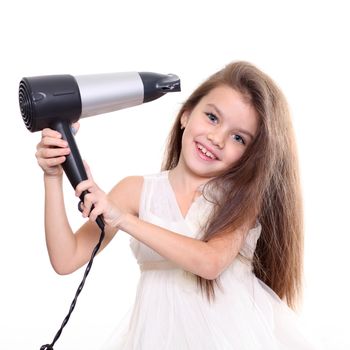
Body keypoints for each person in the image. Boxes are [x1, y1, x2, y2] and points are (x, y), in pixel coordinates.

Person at [35, 61, 316, 349]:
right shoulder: (136, 191)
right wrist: (53, 177)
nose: (216, 139)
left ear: (248, 154)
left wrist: (123, 219)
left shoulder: (239, 200)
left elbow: (209, 262)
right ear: (185, 115)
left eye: (238, 138)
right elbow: (66, 258)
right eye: (212, 117)